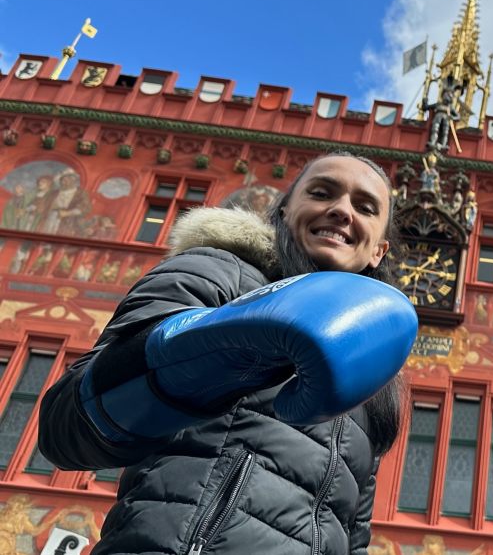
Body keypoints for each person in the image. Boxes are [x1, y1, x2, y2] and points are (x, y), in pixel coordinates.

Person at [39, 152, 420, 555]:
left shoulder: (373, 364)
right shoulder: (220, 273)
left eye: (364, 207)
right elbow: (67, 428)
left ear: (379, 249)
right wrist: (223, 350)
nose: (342, 211)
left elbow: (350, 529)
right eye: (322, 193)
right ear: (285, 210)